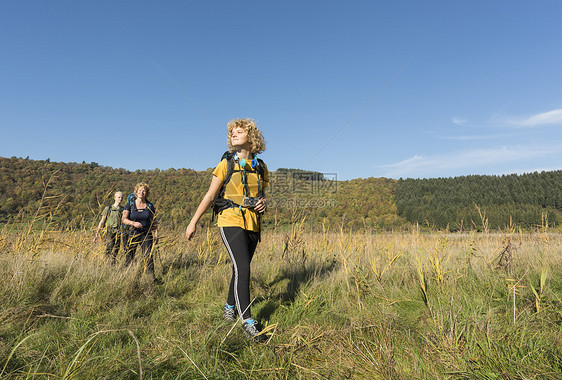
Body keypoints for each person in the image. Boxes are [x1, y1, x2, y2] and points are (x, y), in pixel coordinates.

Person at [186, 118, 269, 343]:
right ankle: (248, 321)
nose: (233, 134)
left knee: (240, 267)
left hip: (253, 222)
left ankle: (229, 306)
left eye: (239, 132)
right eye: (232, 132)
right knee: (242, 266)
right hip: (230, 218)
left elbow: (261, 194)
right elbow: (210, 196)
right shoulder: (226, 163)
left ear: (251, 138)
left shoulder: (261, 166)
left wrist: (263, 203)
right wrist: (193, 221)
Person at [122, 183, 162, 284]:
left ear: (146, 193)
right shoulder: (130, 205)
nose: (141, 192)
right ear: (136, 192)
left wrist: (156, 235)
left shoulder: (149, 206)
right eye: (139, 190)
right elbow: (123, 219)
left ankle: (152, 279)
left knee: (148, 256)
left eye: (143, 191)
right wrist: (133, 223)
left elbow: (154, 221)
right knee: (129, 256)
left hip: (146, 234)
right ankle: (126, 278)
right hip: (132, 233)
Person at [94, 191, 124, 264]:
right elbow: (102, 221)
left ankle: (112, 263)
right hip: (109, 231)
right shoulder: (108, 208)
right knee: (109, 247)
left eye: (122, 197)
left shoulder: (122, 210)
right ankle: (106, 263)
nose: (120, 199)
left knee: (116, 248)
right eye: (119, 197)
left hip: (118, 232)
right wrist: (97, 233)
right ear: (115, 198)